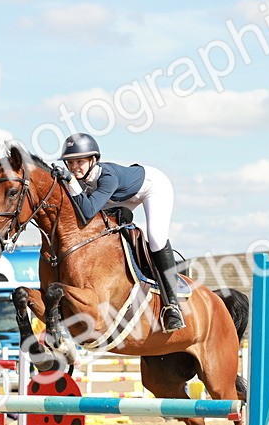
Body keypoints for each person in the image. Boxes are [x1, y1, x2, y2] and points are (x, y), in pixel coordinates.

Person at [56, 133, 185, 332]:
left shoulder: (107, 177)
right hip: (121, 197)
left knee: (155, 237)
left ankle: (173, 304)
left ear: (93, 160)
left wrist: (71, 183)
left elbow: (87, 211)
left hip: (152, 187)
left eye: (79, 162)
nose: (74, 168)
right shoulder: (81, 180)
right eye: (70, 163)